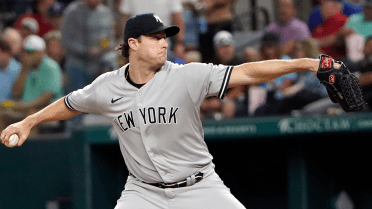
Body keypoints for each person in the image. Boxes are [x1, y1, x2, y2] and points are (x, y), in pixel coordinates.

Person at [1, 13, 329, 209]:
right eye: (155, 37)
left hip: (199, 187)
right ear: (133, 43)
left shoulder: (187, 75)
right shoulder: (107, 86)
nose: (164, 43)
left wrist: (307, 63)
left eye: (165, 37)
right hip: (143, 193)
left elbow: (248, 71)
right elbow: (69, 103)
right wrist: (30, 121)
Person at [0, 35, 63, 135]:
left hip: (48, 109)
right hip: (26, 108)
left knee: (31, 116)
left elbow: (47, 97)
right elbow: (16, 92)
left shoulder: (51, 66)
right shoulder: (25, 67)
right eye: (25, 52)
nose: (27, 55)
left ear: (40, 52)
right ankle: (4, 149)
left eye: (30, 52)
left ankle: (29, 150)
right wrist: (24, 69)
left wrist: (24, 106)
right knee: (2, 114)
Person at [61, 0, 118, 93]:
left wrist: (106, 46)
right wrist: (87, 51)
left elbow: (109, 37)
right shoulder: (72, 12)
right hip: (78, 64)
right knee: (78, 101)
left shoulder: (105, 12)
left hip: (100, 62)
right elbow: (66, 41)